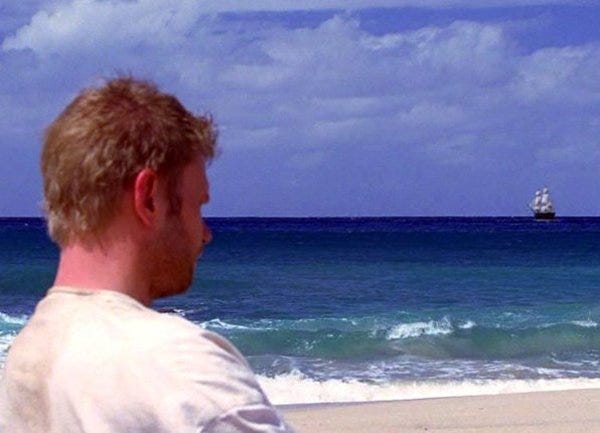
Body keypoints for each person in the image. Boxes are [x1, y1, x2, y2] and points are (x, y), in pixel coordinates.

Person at [0, 77, 293, 433]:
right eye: (197, 206)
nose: (205, 233)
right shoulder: (182, 373)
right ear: (149, 199)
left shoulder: (25, 357)